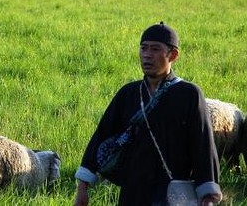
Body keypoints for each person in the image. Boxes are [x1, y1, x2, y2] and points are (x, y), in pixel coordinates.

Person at [74, 22, 222, 206]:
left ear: (173, 55)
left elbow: (202, 145)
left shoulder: (189, 94)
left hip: (173, 192)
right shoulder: (128, 93)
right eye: (143, 49)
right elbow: (101, 136)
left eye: (155, 49)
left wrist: (207, 196)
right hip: (133, 191)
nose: (147, 55)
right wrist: (83, 187)